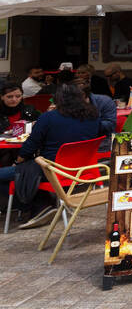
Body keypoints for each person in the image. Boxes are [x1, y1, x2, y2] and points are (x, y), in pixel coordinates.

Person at [0, 81, 103, 223]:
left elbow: (30, 147)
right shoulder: (93, 115)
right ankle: (41, 203)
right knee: (25, 172)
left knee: (12, 173)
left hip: (51, 168)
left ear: (58, 99)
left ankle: (34, 205)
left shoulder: (49, 118)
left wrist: (17, 162)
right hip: (83, 169)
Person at [73, 66, 117, 137]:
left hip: (101, 139)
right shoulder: (67, 100)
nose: (80, 75)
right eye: (78, 73)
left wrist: (89, 123)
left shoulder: (104, 101)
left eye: (83, 73)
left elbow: (110, 125)